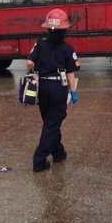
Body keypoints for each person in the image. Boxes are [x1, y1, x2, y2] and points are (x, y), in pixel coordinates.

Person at [27, 9, 79, 173]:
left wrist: (32, 71)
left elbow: (29, 63)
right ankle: (39, 160)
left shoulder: (40, 43)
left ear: (48, 28)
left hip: (42, 88)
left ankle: (58, 152)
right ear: (64, 30)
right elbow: (71, 72)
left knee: (50, 122)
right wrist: (73, 91)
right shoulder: (68, 49)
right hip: (58, 88)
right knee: (52, 124)